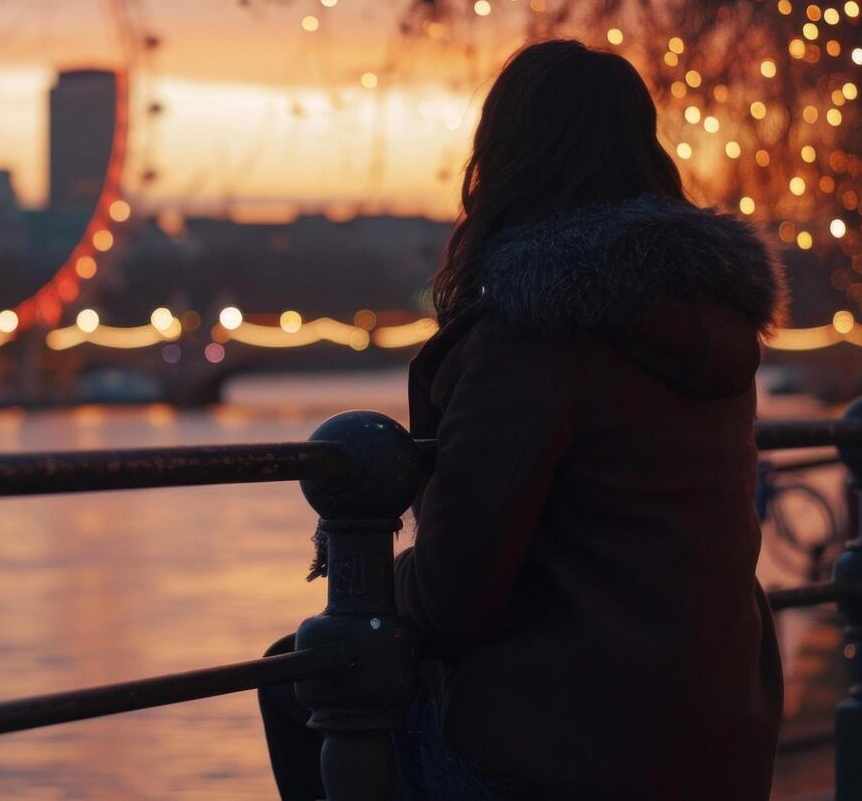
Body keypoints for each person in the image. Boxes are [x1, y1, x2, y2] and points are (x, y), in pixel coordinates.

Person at [260, 39, 785, 799]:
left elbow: (451, 602)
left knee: (306, 674)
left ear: (501, 161)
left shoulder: (533, 338)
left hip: (571, 752)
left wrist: (369, 583)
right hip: (717, 742)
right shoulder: (708, 321)